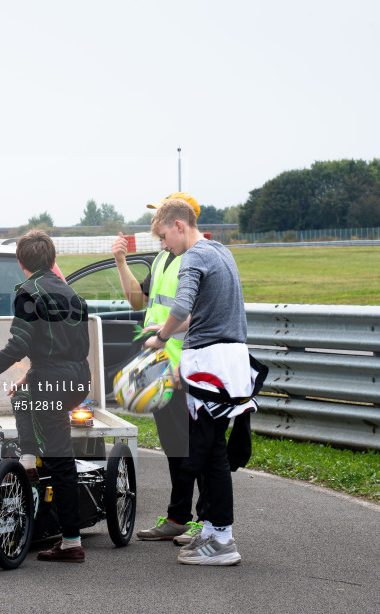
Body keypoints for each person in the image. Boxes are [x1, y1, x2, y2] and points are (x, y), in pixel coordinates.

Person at [0, 230, 91, 563]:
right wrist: (30, 377)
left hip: (54, 380)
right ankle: (30, 464)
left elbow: (19, 343)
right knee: (23, 398)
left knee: (61, 458)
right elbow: (61, 346)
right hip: (77, 379)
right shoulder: (72, 294)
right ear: (52, 259)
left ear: (21, 262)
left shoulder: (29, 293)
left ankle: (72, 542)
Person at [144, 198, 257, 566]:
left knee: (212, 457)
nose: (164, 246)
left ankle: (222, 539)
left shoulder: (192, 257)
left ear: (179, 225)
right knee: (212, 452)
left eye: (164, 237)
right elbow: (205, 314)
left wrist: (162, 337)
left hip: (210, 366)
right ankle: (210, 530)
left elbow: (181, 307)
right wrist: (163, 329)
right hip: (230, 363)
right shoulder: (220, 251)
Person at [111, 192, 207, 544]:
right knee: (174, 446)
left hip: (185, 367)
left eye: (162, 224)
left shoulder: (194, 260)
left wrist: (181, 363)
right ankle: (180, 516)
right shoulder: (165, 257)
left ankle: (203, 519)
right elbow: (139, 301)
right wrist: (121, 261)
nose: (157, 231)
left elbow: (197, 316)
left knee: (194, 446)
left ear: (181, 221)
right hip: (162, 365)